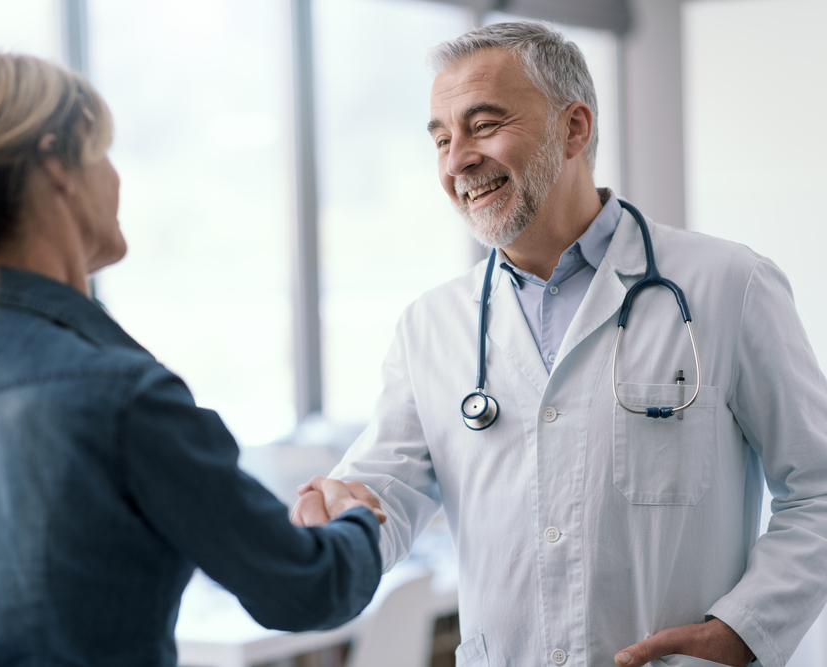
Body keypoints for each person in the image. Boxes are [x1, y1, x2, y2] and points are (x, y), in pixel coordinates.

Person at [292, 22, 827, 667]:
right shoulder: (429, 326)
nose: (456, 159)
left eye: (483, 126)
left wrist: (744, 631)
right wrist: (338, 516)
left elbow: (818, 488)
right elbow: (383, 497)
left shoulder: (729, 285)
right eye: (440, 138)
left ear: (574, 129)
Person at [0, 54, 387, 667]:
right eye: (102, 154)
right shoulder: (124, 399)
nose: (115, 179)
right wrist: (357, 521)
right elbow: (308, 590)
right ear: (56, 164)